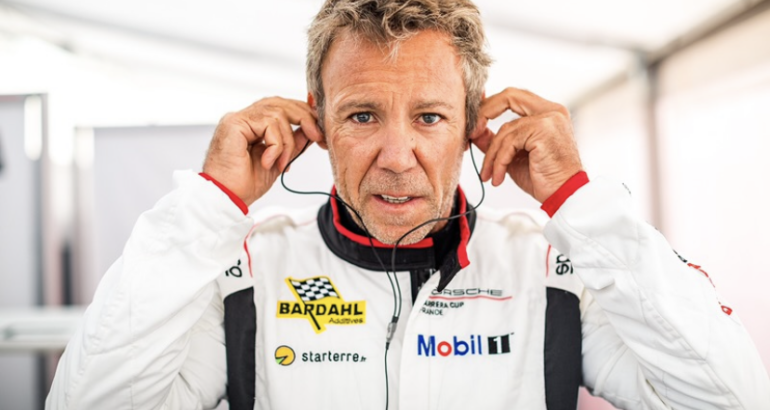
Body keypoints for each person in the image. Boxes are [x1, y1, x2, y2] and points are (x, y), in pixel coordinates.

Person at [47, 0, 770, 409]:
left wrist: (580, 203)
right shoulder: (246, 271)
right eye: (363, 116)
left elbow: (732, 397)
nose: (397, 156)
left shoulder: (550, 268)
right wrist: (208, 205)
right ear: (317, 121)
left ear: (473, 125)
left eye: (429, 117)